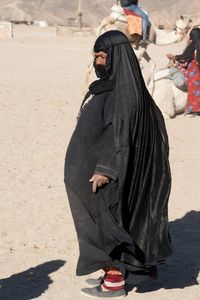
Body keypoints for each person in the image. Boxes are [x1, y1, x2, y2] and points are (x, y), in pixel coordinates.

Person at [64, 30, 172, 298]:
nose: (98, 63)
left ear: (116, 57)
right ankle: (107, 276)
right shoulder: (109, 86)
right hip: (92, 171)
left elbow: (121, 138)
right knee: (97, 223)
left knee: (111, 225)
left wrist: (105, 169)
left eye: (103, 57)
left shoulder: (127, 95)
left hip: (108, 175)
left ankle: (114, 284)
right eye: (96, 56)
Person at [167, 28, 200, 114]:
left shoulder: (193, 45)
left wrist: (174, 57)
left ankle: (195, 108)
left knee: (192, 84)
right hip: (196, 68)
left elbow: (184, 57)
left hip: (194, 71)